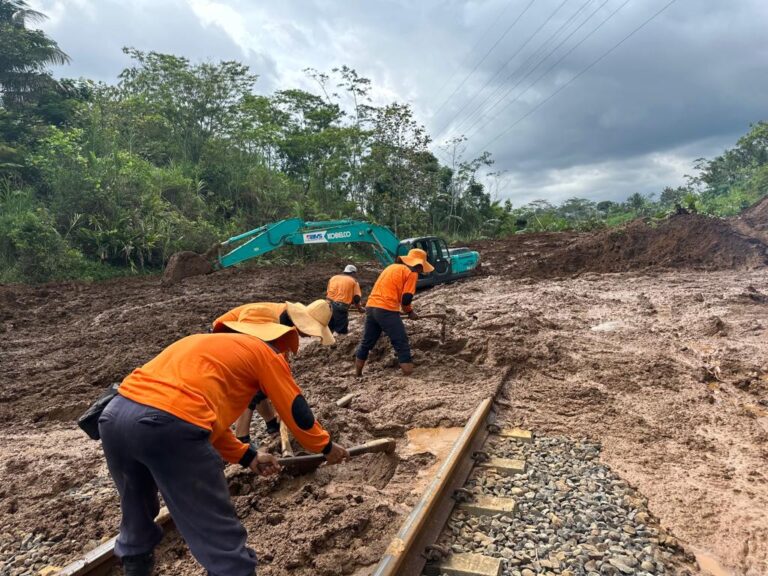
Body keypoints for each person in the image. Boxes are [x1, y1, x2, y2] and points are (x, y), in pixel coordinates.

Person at [98, 313, 348, 576]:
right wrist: (326, 447)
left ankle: (135, 568)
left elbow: (200, 419)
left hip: (114, 417)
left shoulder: (204, 345)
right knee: (215, 531)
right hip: (167, 427)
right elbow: (297, 412)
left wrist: (247, 456)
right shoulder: (264, 353)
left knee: (136, 508)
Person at [210, 300, 334, 445]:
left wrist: (280, 407)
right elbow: (274, 372)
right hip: (226, 333)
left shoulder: (287, 319)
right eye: (313, 331)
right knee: (251, 386)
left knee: (261, 386)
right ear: (304, 323)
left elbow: (281, 365)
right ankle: (242, 438)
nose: (311, 335)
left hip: (242, 336)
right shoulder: (279, 321)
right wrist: (283, 407)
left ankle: (271, 424)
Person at [354, 248, 434, 377]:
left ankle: (358, 374)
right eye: (421, 267)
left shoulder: (390, 268)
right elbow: (406, 299)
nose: (421, 271)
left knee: (367, 342)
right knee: (400, 341)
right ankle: (408, 374)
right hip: (386, 309)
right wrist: (410, 312)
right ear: (418, 264)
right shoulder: (411, 273)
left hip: (371, 307)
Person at [326, 264, 366, 335]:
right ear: (353, 273)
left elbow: (328, 292)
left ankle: (326, 344)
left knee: (329, 328)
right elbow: (356, 298)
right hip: (340, 306)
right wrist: (359, 308)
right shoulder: (353, 281)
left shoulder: (333, 278)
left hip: (327, 305)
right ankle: (338, 343)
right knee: (341, 331)